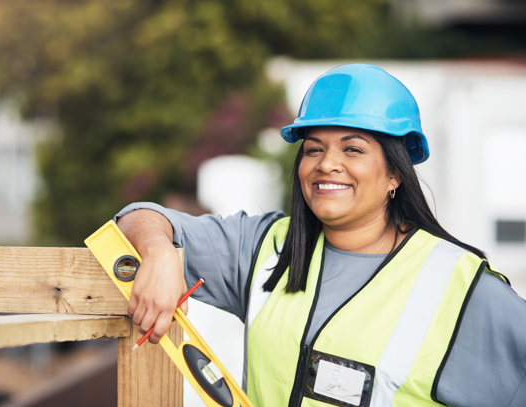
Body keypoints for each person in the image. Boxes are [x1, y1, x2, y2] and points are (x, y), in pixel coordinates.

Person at [114, 64, 526, 407]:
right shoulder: (266, 247)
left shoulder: (460, 287)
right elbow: (138, 217)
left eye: (352, 149)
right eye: (313, 149)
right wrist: (161, 250)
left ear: (395, 173)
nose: (327, 164)